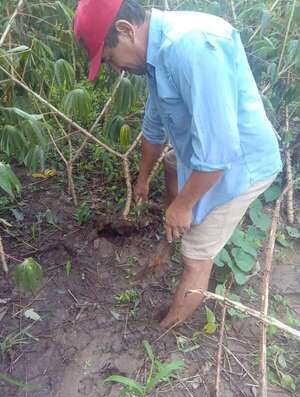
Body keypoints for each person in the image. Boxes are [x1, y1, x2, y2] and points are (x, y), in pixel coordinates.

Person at [74, 0, 282, 329]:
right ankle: (174, 231)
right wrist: (142, 179)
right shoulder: (156, 56)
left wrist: (183, 205)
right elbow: (154, 127)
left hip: (240, 164)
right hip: (206, 153)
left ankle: (166, 330)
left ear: (125, 30)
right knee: (172, 164)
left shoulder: (192, 47)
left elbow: (219, 153)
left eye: (111, 58)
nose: (117, 70)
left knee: (195, 256)